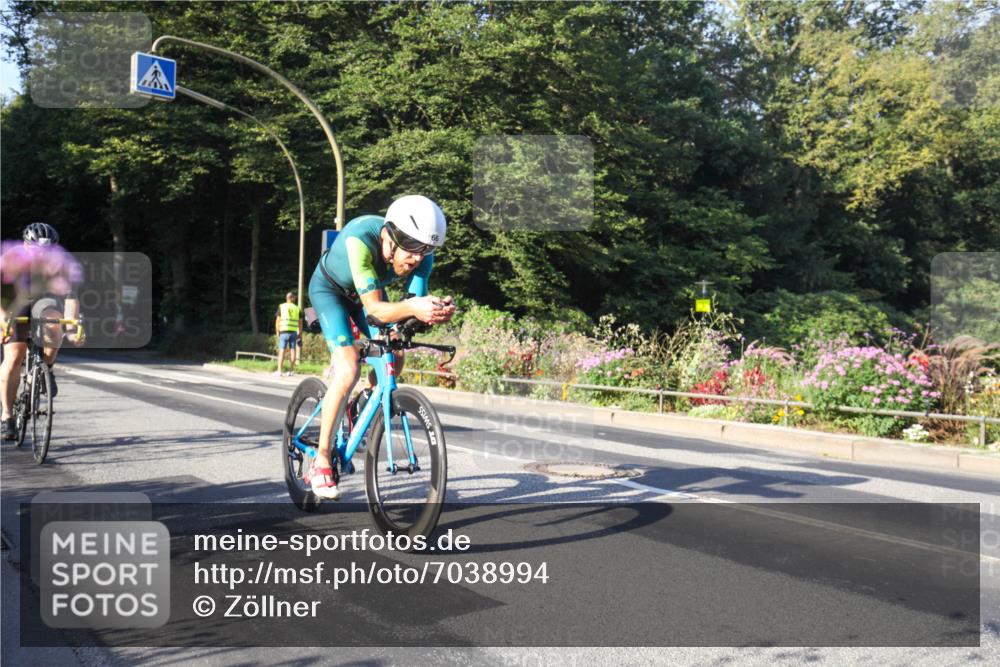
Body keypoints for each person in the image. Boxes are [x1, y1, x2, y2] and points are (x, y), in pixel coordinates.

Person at [306, 195, 455, 499]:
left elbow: (411, 310)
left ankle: (359, 406)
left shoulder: (422, 256)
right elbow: (375, 309)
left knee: (395, 355)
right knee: (348, 367)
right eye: (411, 249)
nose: (417, 259)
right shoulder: (360, 241)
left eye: (425, 251)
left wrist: (433, 313)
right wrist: (414, 307)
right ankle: (321, 460)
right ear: (390, 236)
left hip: (365, 295)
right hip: (330, 292)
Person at [1, 223, 84, 440]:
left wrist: (71, 328)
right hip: (14, 302)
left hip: (43, 301)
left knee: (53, 321)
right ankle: (7, 416)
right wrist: (3, 321)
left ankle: (46, 368)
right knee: (14, 355)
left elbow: (70, 298)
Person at [274, 292, 302, 376]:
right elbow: (300, 323)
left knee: (282, 350)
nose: (295, 299)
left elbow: (278, 321)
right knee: (293, 350)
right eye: (295, 297)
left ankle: (279, 371)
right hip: (293, 332)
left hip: (283, 331)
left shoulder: (282, 306)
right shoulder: (297, 308)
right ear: (291, 298)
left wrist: (277, 332)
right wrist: (300, 334)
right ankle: (291, 371)